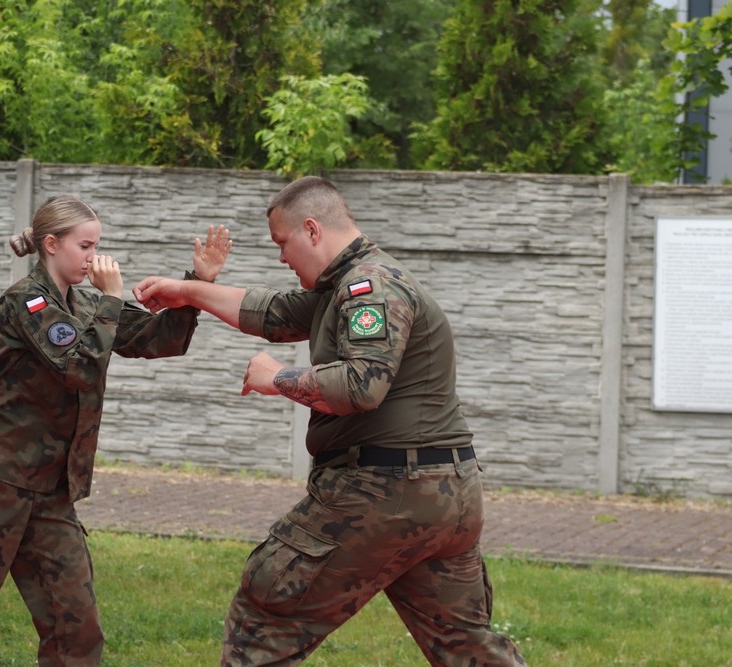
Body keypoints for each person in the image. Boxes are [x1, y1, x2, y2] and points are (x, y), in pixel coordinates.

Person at [135, 176, 526, 666]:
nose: (281, 258)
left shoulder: (370, 286)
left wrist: (275, 377)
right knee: (466, 645)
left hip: (385, 489)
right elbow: (272, 313)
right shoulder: (346, 284)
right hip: (445, 496)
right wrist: (188, 291)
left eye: (283, 243)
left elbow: (363, 384)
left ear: (313, 230)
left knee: (267, 617)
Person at [0, 194, 232, 666]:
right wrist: (114, 300)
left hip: (49, 495)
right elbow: (79, 366)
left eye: (97, 245)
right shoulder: (27, 301)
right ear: (51, 244)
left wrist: (197, 283)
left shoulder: (85, 302)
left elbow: (162, 339)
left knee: (75, 629)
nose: (94, 258)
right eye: (85, 246)